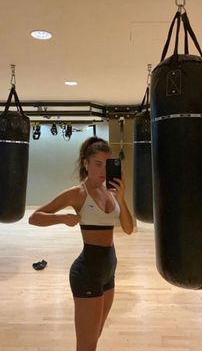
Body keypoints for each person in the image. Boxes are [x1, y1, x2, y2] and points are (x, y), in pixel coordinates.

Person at [28, 136, 134, 351]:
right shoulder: (77, 194)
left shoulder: (111, 194)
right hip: (86, 273)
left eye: (108, 164)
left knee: (95, 337)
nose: (103, 170)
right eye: (98, 164)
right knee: (86, 346)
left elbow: (129, 229)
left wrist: (122, 198)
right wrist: (62, 219)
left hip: (108, 271)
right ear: (86, 164)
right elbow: (35, 217)